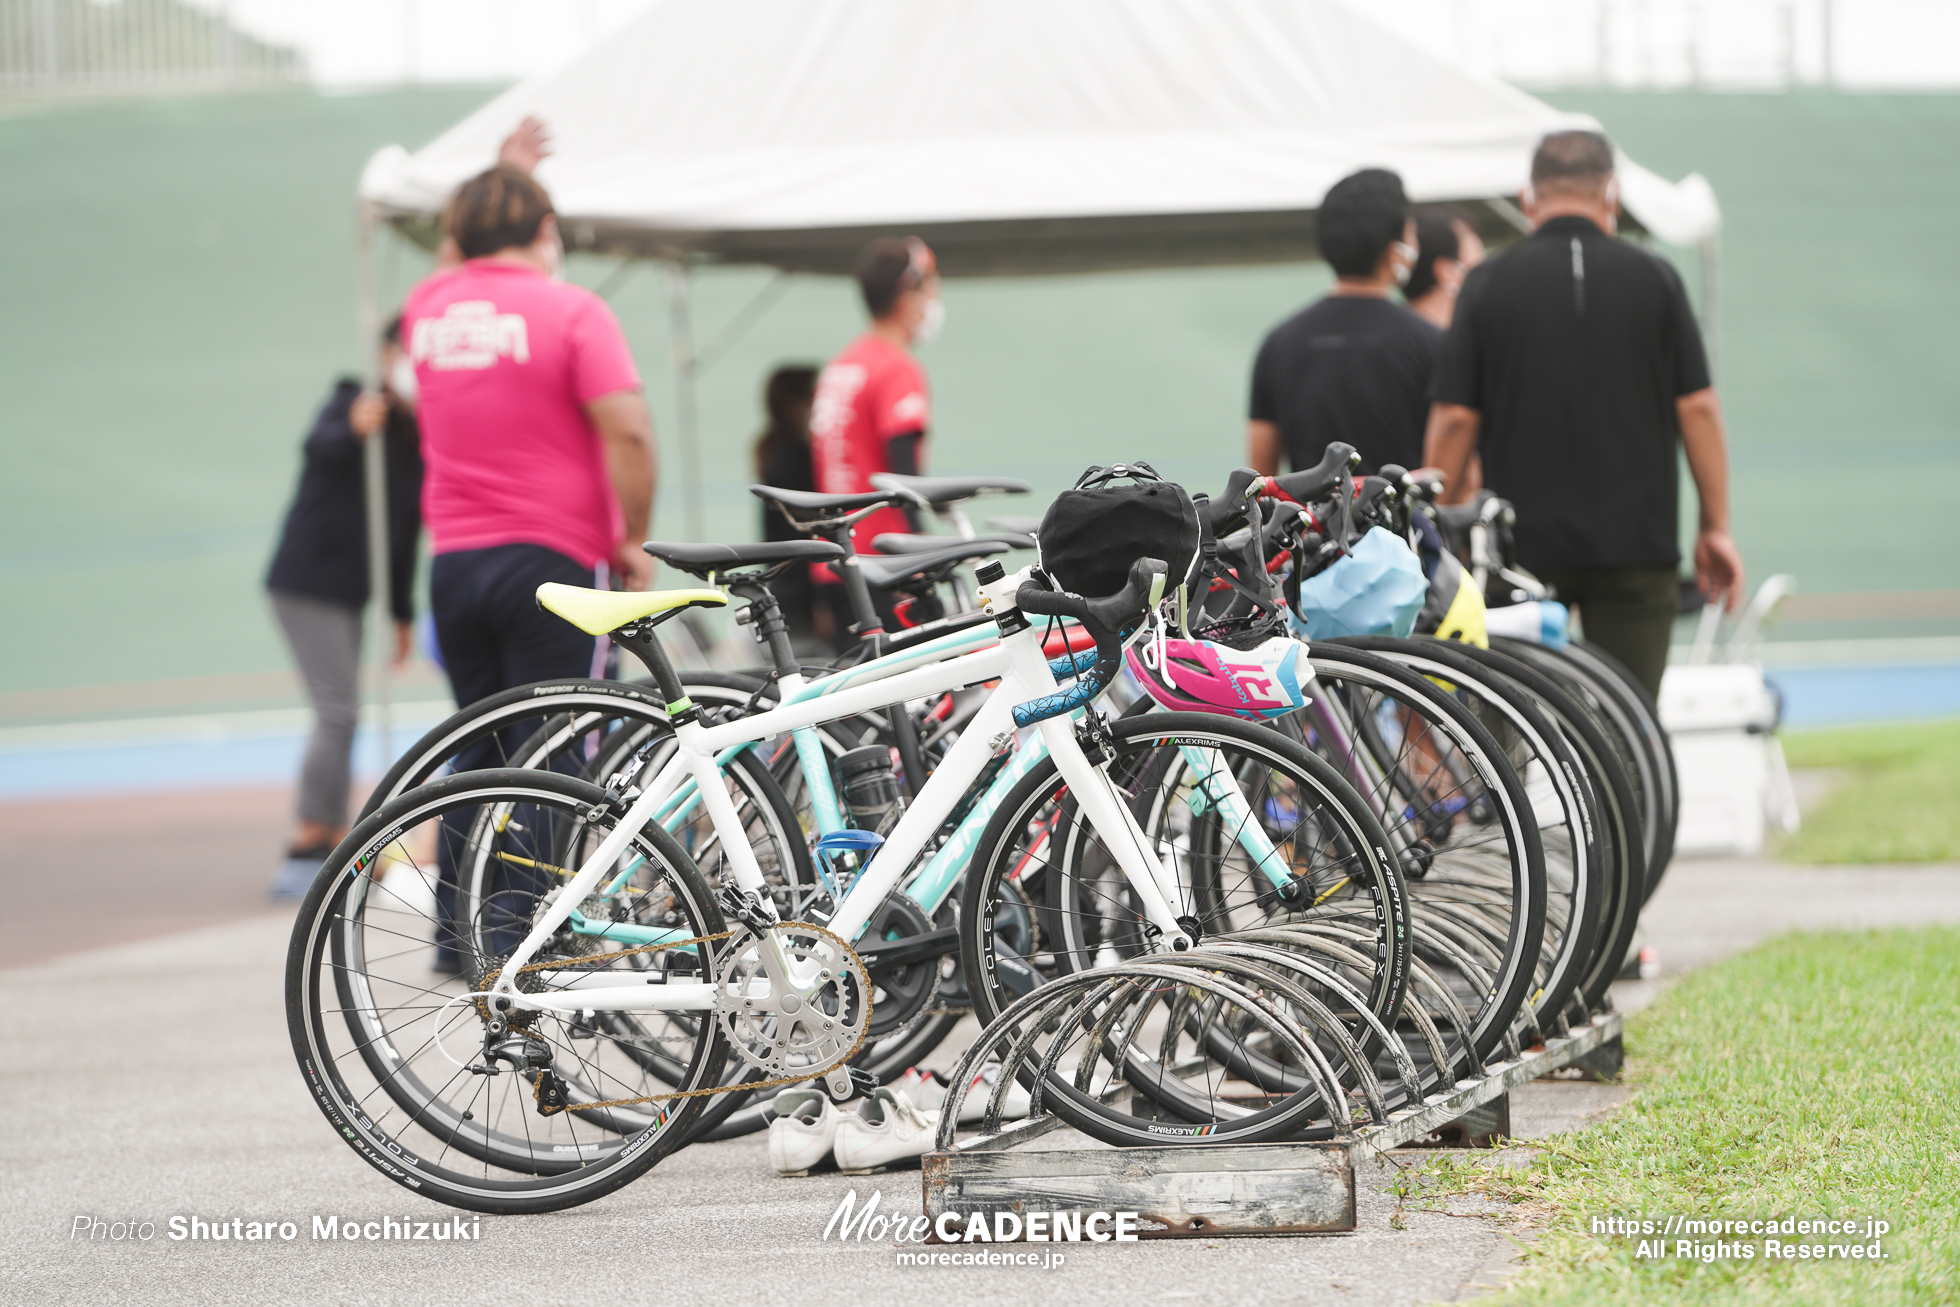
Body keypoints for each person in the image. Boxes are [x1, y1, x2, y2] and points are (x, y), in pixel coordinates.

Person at [1422, 129, 1743, 701]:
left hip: (1519, 548)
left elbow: (1454, 418)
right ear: (1612, 196)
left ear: (1528, 199)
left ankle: (1513, 790)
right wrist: (1714, 527)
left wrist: (1436, 528)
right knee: (1631, 724)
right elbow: (1697, 407)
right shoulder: (1656, 278)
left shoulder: (1487, 284)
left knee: (1507, 723)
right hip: (1636, 544)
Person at [403, 164, 656, 716]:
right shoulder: (574, 311)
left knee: (478, 756)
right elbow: (630, 432)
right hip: (556, 560)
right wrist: (633, 538)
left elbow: (453, 260)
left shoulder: (425, 310)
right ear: (546, 228)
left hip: (454, 566)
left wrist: (493, 182)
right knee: (562, 755)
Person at [264, 316, 423, 898]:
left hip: (348, 594)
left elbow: (405, 536)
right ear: (386, 353)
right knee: (338, 709)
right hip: (306, 582)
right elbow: (318, 445)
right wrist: (352, 428)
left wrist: (401, 614)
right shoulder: (353, 404)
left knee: (341, 710)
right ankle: (312, 837)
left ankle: (330, 832)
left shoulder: (414, 440)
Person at [1247, 169, 1434, 478]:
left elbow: (1259, 474)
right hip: (1402, 524)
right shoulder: (1431, 341)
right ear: (1394, 248)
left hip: (1308, 524)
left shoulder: (1278, 343)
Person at [810, 237, 940, 560]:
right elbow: (903, 463)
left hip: (834, 552)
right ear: (907, 297)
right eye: (930, 290)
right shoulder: (896, 368)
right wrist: (919, 543)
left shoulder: (840, 365)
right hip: (885, 555)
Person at [752, 364, 826, 646]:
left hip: (788, 587)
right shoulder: (795, 459)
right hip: (801, 592)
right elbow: (807, 533)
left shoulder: (777, 451)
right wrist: (822, 599)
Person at [1404, 209, 1486, 331]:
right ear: (1448, 272)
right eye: (1477, 255)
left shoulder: (1395, 332)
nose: (1488, 269)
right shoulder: (1445, 344)